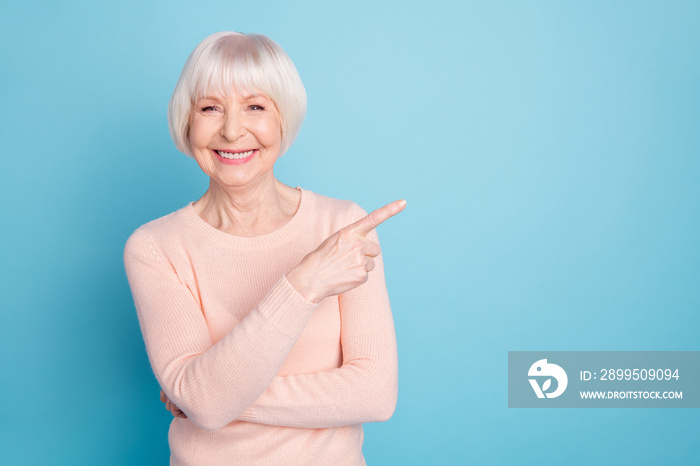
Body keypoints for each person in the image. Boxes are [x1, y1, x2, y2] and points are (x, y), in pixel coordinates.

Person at [123, 31, 405, 465]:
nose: (233, 130)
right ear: (187, 121)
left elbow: (375, 394)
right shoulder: (155, 247)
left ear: (283, 120)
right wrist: (302, 284)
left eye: (255, 107)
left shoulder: (343, 226)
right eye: (210, 108)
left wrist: (206, 393)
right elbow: (206, 402)